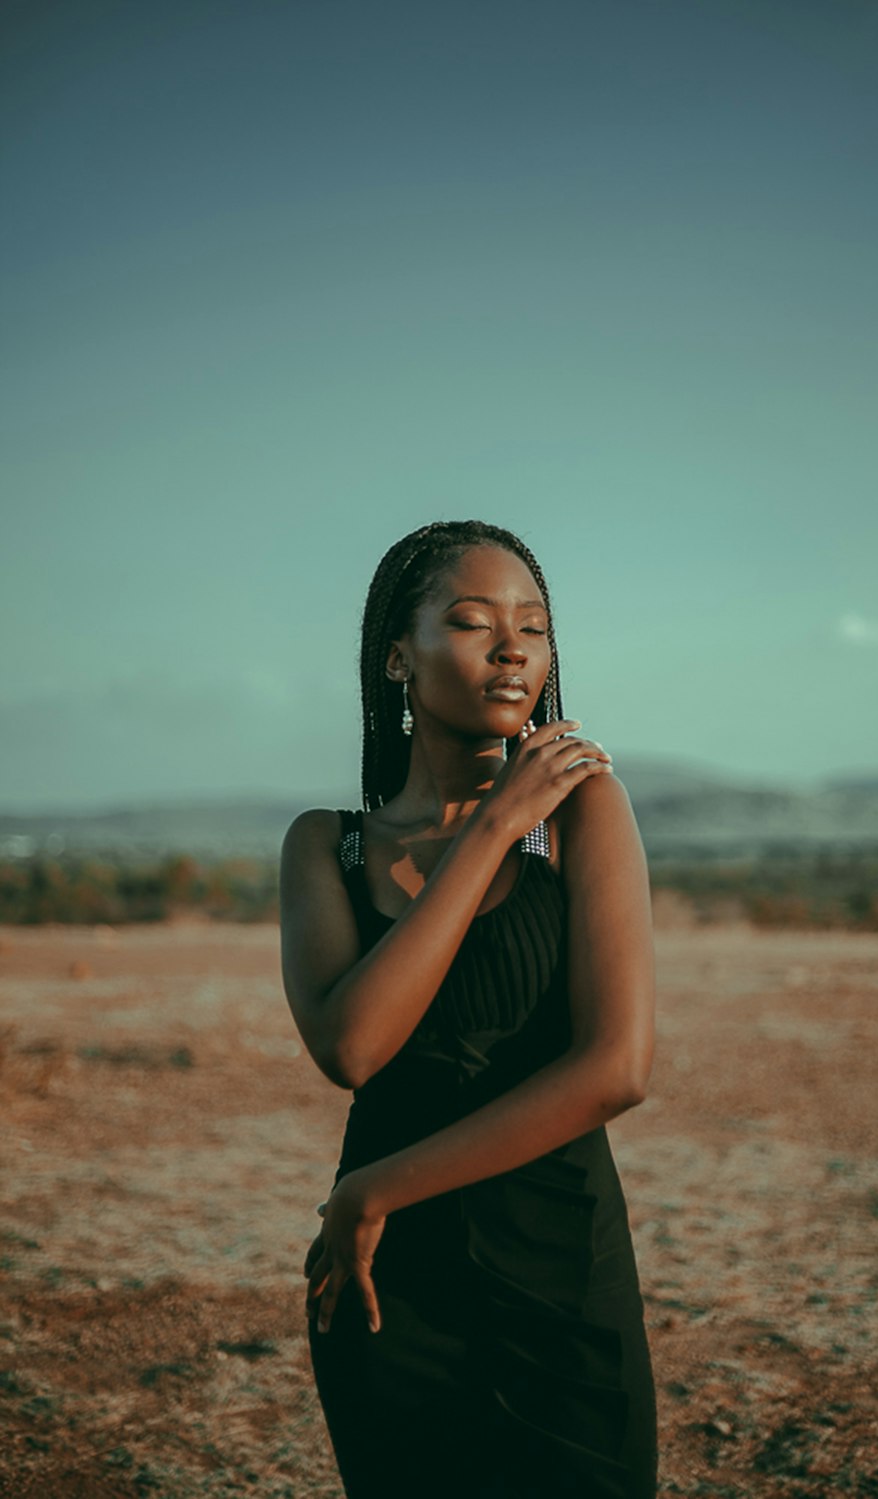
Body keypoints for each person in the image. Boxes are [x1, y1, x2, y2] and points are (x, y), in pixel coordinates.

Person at [279, 519, 658, 1498]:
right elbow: (354, 1045)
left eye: (532, 626)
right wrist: (491, 825)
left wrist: (378, 1189)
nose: (512, 649)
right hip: (390, 1293)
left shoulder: (585, 811)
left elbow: (615, 1067)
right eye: (473, 621)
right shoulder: (328, 847)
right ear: (399, 655)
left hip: (562, 1270)